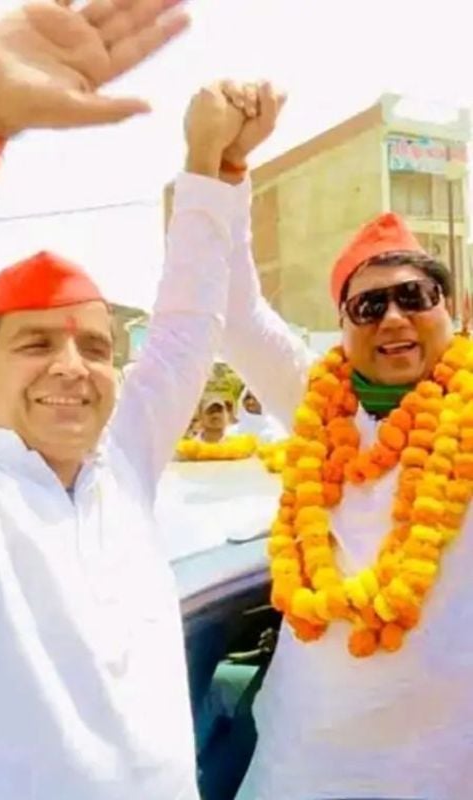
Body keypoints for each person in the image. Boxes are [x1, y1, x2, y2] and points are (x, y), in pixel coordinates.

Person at [0, 4, 252, 798]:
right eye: (37, 344)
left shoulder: (126, 471)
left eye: (97, 347)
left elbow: (184, 332)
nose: (73, 367)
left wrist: (211, 170)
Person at [194, 81, 473, 800]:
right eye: (368, 304)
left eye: (414, 297)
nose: (392, 320)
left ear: (453, 308)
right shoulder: (318, 403)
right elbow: (232, 311)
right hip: (301, 761)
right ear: (344, 326)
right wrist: (225, 172)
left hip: (442, 768)